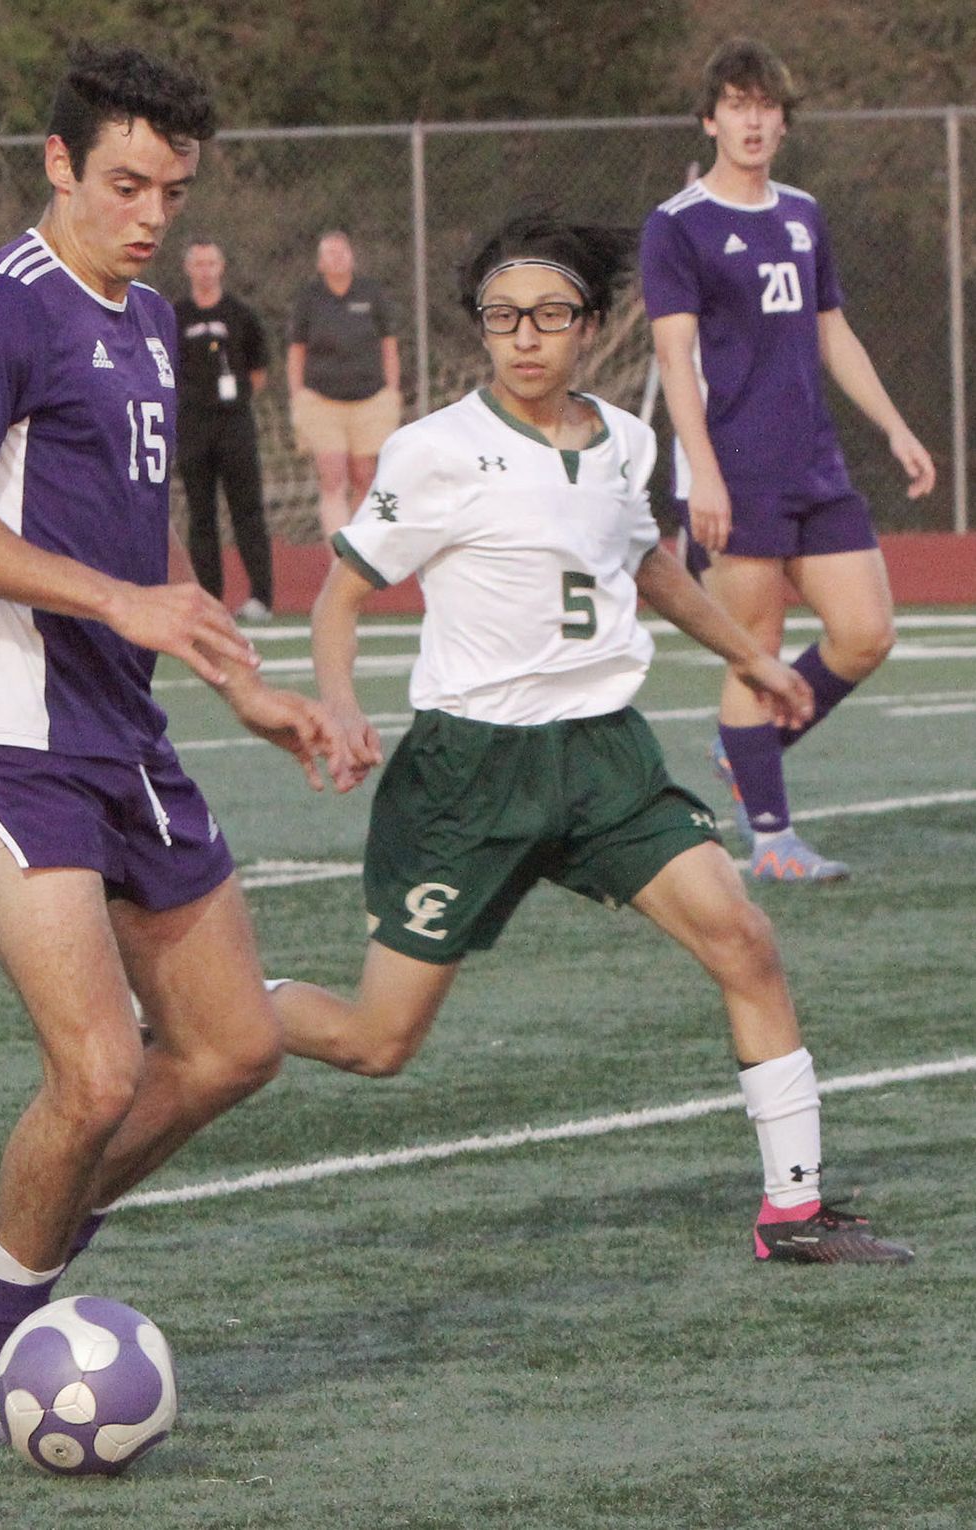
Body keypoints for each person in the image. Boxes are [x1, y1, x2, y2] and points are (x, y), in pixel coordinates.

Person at [267, 210, 913, 1268]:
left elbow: (649, 566)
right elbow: (339, 597)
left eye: (550, 315)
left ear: (590, 325)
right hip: (472, 773)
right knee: (376, 1043)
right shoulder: (436, 451)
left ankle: (793, 1210)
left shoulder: (625, 440)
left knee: (744, 940)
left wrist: (746, 659)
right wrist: (338, 702)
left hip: (605, 760)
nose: (526, 336)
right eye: (503, 316)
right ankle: (209, 1014)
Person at [0, 42, 346, 1449]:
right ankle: (0, 1361)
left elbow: (135, 541)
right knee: (94, 1069)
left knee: (233, 1044)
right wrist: (121, 600)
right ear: (57, 164)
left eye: (172, 189)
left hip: (127, 730)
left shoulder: (149, 320)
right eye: (125, 182)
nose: (150, 213)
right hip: (8, 731)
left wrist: (237, 682)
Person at [640, 37, 935, 883]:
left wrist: (894, 427)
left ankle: (751, 748)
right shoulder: (678, 225)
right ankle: (772, 841)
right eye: (737, 105)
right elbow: (674, 360)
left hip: (816, 462)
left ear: (783, 121)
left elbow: (830, 329)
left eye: (766, 106)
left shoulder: (803, 213)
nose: (754, 119)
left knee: (866, 632)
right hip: (735, 468)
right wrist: (703, 476)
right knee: (755, 646)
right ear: (710, 119)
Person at [175, 239, 274, 622]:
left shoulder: (240, 314)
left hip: (234, 423)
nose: (205, 270)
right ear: (188, 269)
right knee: (201, 515)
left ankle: (261, 597)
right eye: (198, 263)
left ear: (222, 267)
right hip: (193, 425)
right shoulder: (175, 315)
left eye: (211, 263)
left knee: (247, 510)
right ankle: (209, 598)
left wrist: (235, 398)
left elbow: (259, 368)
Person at [286, 230, 401, 542]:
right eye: (329, 253)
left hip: (370, 399)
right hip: (322, 402)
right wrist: (298, 395)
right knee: (332, 477)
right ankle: (340, 555)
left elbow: (388, 344)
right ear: (320, 263)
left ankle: (362, 548)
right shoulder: (310, 298)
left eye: (342, 252)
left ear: (352, 257)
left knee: (364, 476)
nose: (337, 258)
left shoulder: (371, 293)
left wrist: (392, 391)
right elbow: (297, 350)